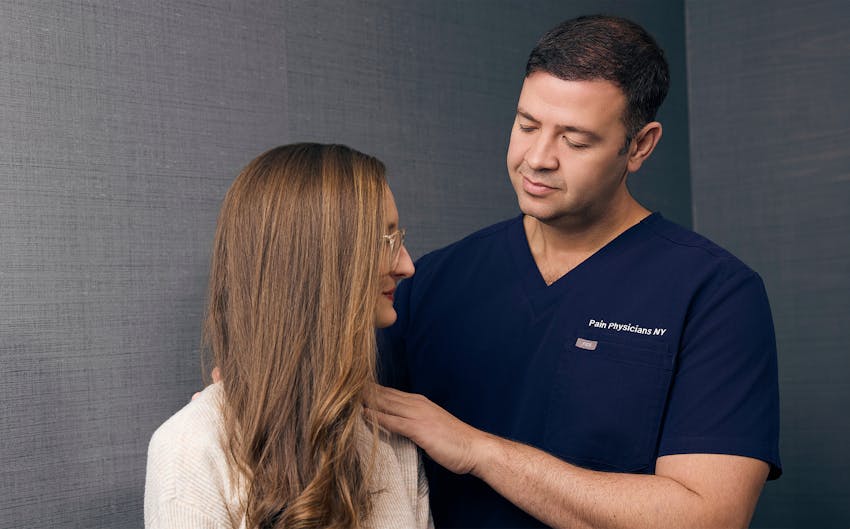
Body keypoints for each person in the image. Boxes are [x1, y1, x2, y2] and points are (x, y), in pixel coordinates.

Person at [372, 15, 781, 529]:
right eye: (526, 125)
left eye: (577, 140)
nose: (538, 158)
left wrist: (477, 450)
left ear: (639, 146)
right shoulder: (425, 283)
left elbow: (708, 517)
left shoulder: (716, 294)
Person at [144, 143, 432, 529]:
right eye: (388, 240)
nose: (408, 266)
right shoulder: (191, 452)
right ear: (322, 261)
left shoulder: (392, 444)